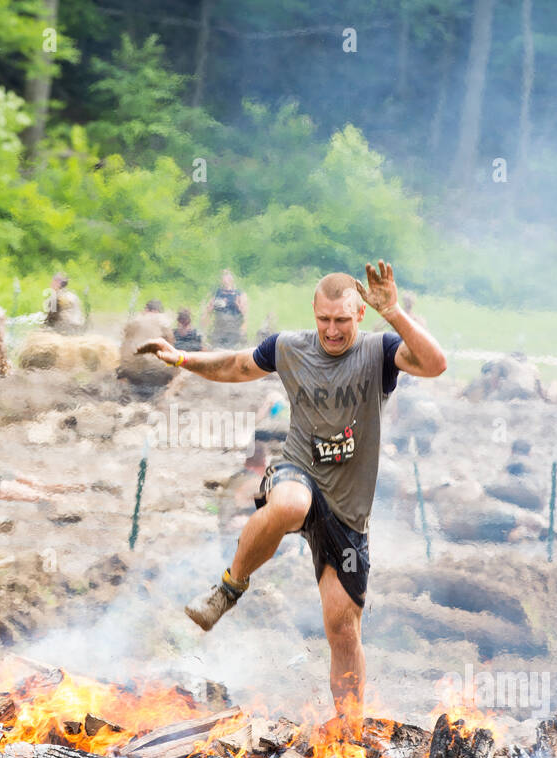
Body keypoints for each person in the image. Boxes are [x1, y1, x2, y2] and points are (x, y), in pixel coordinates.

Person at [137, 261, 447, 728]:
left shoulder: (379, 352)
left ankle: (348, 730)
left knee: (343, 630)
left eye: (342, 320)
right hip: (297, 470)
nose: (332, 330)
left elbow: (436, 363)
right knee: (290, 504)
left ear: (359, 315)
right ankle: (228, 588)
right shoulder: (290, 347)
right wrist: (181, 358)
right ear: (314, 314)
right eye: (324, 319)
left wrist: (395, 312)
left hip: (347, 509)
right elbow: (237, 365)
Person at [204, 269, 249, 349]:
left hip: (233, 329)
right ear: (221, 280)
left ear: (232, 279)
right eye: (223, 276)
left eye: (227, 276)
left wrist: (243, 331)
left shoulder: (239, 294)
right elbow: (208, 311)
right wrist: (205, 328)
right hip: (219, 330)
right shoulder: (216, 293)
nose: (225, 279)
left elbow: (245, 314)